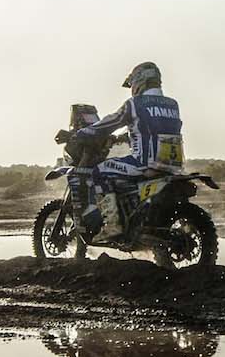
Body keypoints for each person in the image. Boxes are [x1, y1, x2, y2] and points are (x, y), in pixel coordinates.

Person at [58, 61, 184, 239]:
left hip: (144, 163)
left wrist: (82, 133)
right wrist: (124, 137)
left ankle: (112, 224)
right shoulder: (172, 104)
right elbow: (156, 128)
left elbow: (110, 122)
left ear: (140, 81)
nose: (132, 88)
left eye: (132, 84)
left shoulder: (135, 104)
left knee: (99, 171)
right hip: (173, 165)